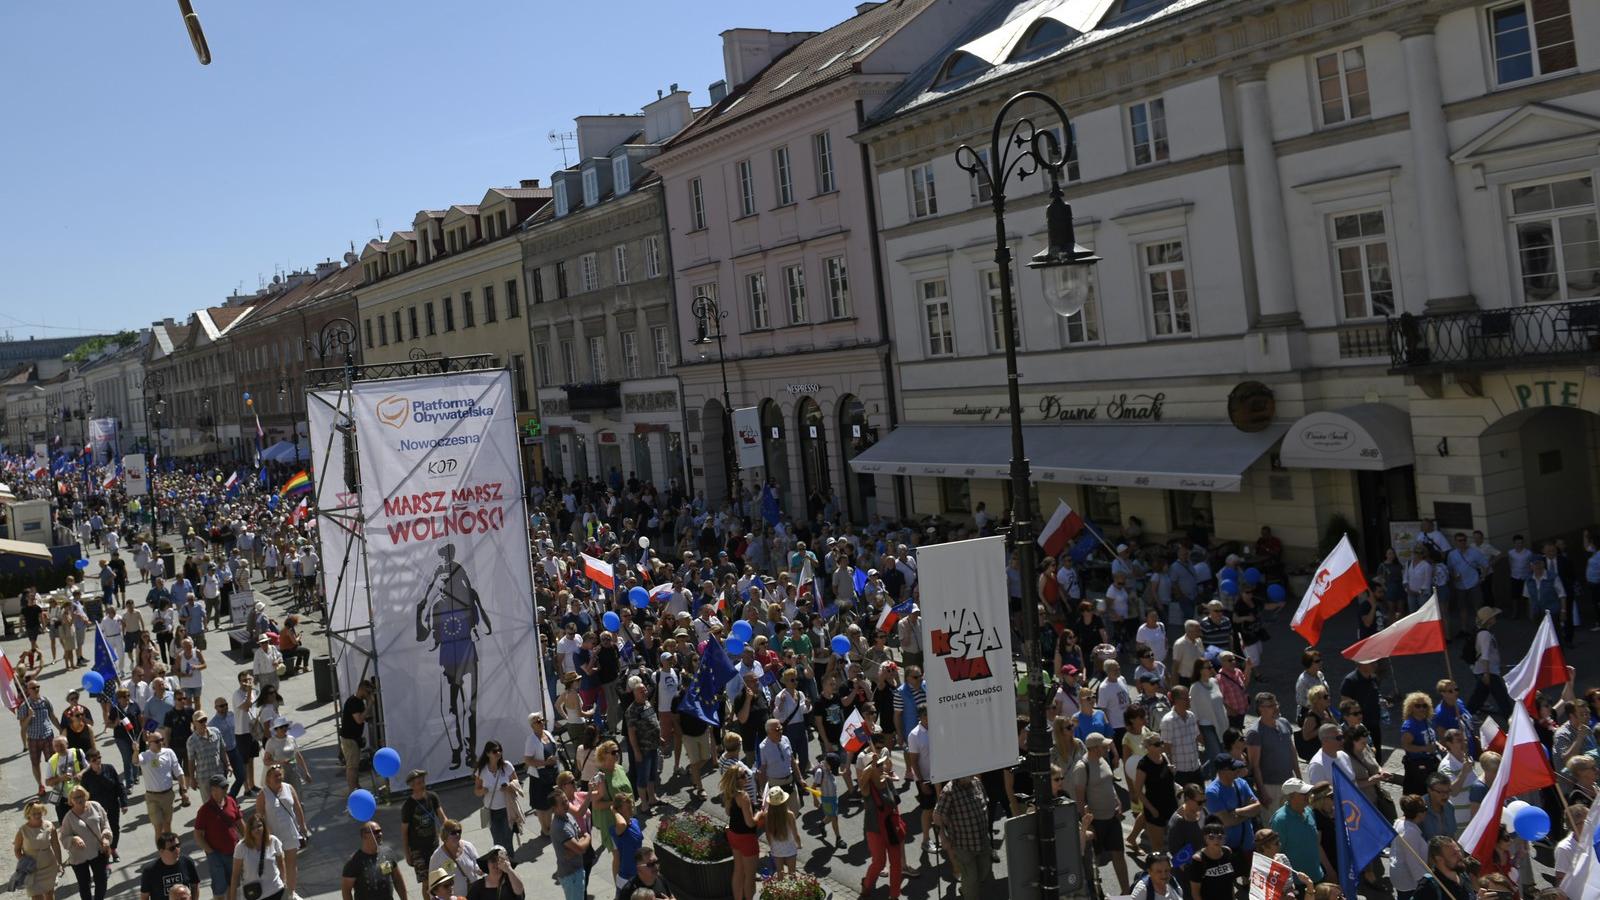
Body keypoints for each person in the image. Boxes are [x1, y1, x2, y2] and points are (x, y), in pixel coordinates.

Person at [1072, 732, 1130, 894]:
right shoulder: (1082, 767)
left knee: (1119, 854)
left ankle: (1126, 893)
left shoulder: (1102, 760)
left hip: (1112, 817)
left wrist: (1117, 800)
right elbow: (1080, 799)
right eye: (1104, 746)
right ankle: (1096, 893)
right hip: (1096, 821)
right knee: (1094, 861)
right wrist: (1088, 825)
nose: (1108, 748)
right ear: (1095, 748)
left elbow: (1109, 783)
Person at [859, 750, 906, 900]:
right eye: (876, 766)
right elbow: (861, 780)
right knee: (879, 863)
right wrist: (870, 767)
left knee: (896, 863)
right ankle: (866, 885)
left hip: (891, 828)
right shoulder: (867, 788)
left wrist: (888, 775)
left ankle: (894, 896)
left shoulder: (887, 780)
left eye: (880, 764)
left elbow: (895, 801)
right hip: (875, 830)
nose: (880, 767)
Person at [933, 774, 990, 899]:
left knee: (985, 870)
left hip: (982, 840)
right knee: (971, 879)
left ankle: (966, 888)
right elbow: (937, 817)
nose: (970, 775)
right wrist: (944, 838)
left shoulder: (977, 782)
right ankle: (969, 892)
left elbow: (985, 802)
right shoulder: (949, 791)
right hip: (963, 844)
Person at [253, 766, 306, 897]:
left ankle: (291, 892)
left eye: (280, 775)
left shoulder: (289, 788)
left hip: (290, 832)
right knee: (277, 865)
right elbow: (259, 817)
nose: (279, 778)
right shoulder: (263, 794)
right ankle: (280, 891)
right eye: (275, 776)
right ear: (268, 779)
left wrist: (303, 825)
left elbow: (298, 807)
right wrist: (263, 834)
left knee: (291, 864)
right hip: (273, 836)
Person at [194, 775, 243, 900]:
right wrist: (211, 853)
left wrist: (249, 840)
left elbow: (240, 823)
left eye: (227, 786)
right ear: (213, 790)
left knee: (235, 885)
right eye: (223, 787)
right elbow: (198, 835)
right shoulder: (204, 811)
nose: (226, 788)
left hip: (234, 852)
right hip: (217, 857)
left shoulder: (231, 801)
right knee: (219, 890)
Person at [401, 770, 448, 889]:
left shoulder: (432, 797)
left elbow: (443, 818)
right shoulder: (408, 805)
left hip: (434, 845)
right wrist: (407, 853)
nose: (422, 785)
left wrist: (451, 832)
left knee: (440, 878)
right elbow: (404, 832)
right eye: (418, 783)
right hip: (418, 850)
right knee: (427, 883)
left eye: (422, 782)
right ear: (412, 786)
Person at [722, 764, 762, 900]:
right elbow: (750, 822)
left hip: (733, 835)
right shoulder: (743, 796)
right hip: (746, 838)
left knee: (738, 870)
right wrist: (760, 814)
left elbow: (728, 811)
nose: (746, 776)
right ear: (737, 780)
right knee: (750, 876)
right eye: (743, 775)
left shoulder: (729, 793)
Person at [341, 822, 409, 900]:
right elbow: (346, 890)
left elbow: (397, 879)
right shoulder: (353, 862)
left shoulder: (387, 854)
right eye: (376, 832)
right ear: (364, 836)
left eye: (380, 831)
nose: (380, 834)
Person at [141, 730, 191, 838]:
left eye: (162, 740)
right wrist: (135, 751)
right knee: (158, 826)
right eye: (157, 741)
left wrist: (184, 790)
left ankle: (168, 850)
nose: (161, 743)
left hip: (168, 795)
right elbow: (135, 761)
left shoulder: (169, 752)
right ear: (150, 743)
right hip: (152, 797)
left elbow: (178, 771)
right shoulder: (145, 756)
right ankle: (161, 852)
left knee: (167, 825)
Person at [473, 742, 519, 853]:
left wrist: (509, 786)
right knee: (498, 843)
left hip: (507, 810)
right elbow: (476, 791)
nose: (498, 753)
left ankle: (509, 868)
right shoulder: (482, 770)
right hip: (491, 812)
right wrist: (483, 791)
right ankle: (499, 868)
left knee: (507, 842)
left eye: (499, 750)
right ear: (488, 753)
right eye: (494, 751)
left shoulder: (506, 766)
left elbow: (517, 783)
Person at [13, 801, 62, 900]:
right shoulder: (23, 830)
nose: (37, 815)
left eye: (39, 813)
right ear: (28, 814)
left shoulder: (49, 826)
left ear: (43, 812)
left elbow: (56, 845)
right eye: (34, 813)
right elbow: (17, 850)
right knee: (36, 896)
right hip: (31, 870)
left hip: (49, 866)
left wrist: (59, 863)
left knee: (49, 894)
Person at [228, 816, 285, 900]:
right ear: (249, 830)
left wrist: (284, 882)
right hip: (254, 894)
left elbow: (281, 863)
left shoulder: (273, 841)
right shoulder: (241, 847)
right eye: (253, 828)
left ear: (264, 827)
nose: (257, 830)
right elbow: (235, 875)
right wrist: (232, 898)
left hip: (276, 890)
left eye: (259, 826)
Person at [522, 714, 559, 838]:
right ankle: (545, 829)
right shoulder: (531, 740)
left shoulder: (547, 734)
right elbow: (527, 760)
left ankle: (548, 828)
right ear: (532, 725)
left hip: (552, 774)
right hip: (539, 776)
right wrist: (545, 763)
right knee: (542, 805)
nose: (541, 722)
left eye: (542, 720)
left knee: (550, 803)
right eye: (538, 721)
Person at [549, 791, 590, 900]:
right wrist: (588, 838)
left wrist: (578, 845)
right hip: (570, 875)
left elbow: (580, 835)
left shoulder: (569, 816)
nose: (566, 804)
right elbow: (580, 848)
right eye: (562, 803)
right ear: (554, 808)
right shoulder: (560, 827)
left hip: (577, 869)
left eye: (566, 800)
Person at [1183, 820, 1237, 900]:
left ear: (1224, 838)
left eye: (1219, 837)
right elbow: (1195, 892)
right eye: (1211, 837)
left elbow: (1230, 882)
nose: (1216, 840)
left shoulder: (1227, 851)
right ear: (1205, 839)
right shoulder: (1198, 860)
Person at [139, 833, 201, 900]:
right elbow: (144, 896)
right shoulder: (150, 870)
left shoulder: (187, 862)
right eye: (172, 848)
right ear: (161, 851)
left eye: (178, 845)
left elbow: (195, 886)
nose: (176, 850)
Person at [1409, 836, 1471, 900]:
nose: (1460, 856)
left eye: (1459, 851)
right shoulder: (1428, 887)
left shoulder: (1463, 875)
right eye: (1454, 854)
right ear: (1439, 858)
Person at [426, 823, 480, 898]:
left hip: (475, 893)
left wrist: (480, 869)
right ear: (445, 835)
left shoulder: (468, 846)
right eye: (453, 833)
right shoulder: (436, 857)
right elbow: (433, 882)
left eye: (459, 831)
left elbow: (477, 865)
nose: (457, 834)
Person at [339, 680, 373, 792]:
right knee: (352, 767)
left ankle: (356, 787)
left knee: (355, 765)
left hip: (354, 738)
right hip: (349, 739)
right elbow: (359, 719)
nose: (369, 695)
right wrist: (370, 704)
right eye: (368, 692)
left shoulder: (358, 702)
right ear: (362, 689)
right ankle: (352, 790)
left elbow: (362, 717)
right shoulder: (354, 702)